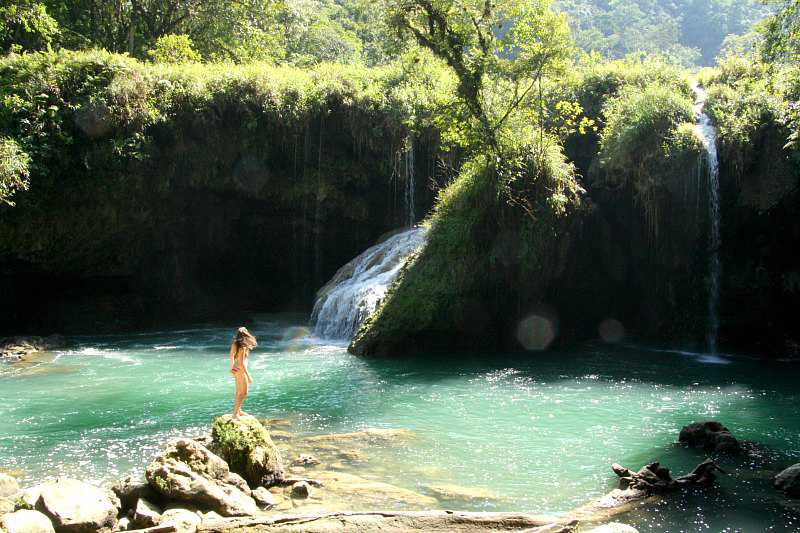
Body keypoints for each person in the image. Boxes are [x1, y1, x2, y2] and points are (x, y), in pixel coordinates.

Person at [230, 326, 257, 419]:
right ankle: (235, 414)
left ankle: (238, 411)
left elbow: (231, 356)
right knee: (244, 392)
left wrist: (232, 367)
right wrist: (248, 376)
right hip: (241, 370)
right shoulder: (243, 346)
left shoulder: (235, 343)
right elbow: (242, 363)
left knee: (238, 391)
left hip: (236, 369)